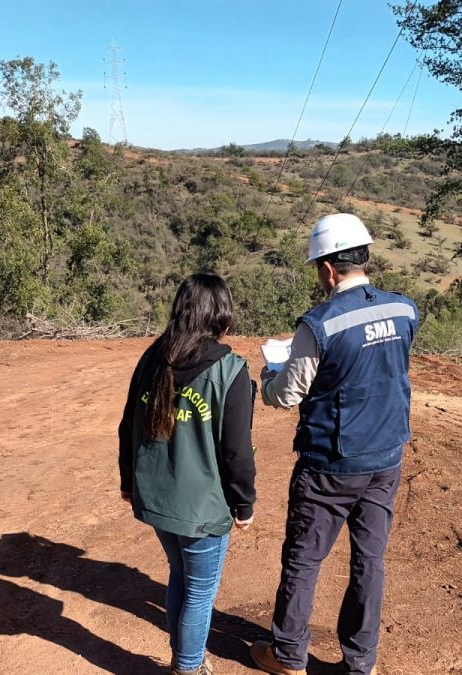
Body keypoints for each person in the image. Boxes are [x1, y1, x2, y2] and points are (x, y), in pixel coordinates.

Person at [250, 214, 418, 675]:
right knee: (370, 560)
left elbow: (287, 394)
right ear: (362, 256)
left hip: (330, 463)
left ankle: (287, 655)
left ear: (327, 269)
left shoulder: (318, 323)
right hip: (386, 456)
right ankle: (360, 661)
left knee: (304, 559)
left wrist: (268, 376)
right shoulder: (404, 309)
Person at [118, 273, 257, 675]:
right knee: (199, 590)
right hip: (202, 509)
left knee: (179, 575)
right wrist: (244, 504)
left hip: (157, 500)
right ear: (221, 318)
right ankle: (189, 667)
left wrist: (129, 482)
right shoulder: (230, 371)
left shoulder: (153, 358)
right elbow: (237, 452)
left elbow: (128, 426)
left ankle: (186, 658)